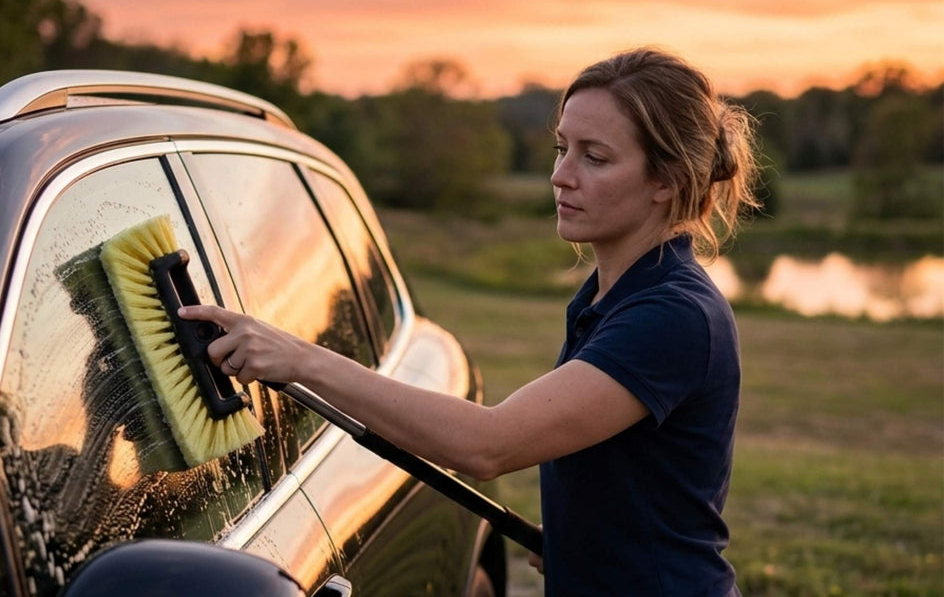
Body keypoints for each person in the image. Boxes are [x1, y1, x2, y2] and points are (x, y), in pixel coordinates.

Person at [178, 47, 759, 596]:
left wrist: (300, 358)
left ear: (667, 181)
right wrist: (589, 542)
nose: (561, 175)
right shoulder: (616, 294)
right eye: (562, 148)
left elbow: (487, 444)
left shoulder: (672, 315)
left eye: (595, 157)